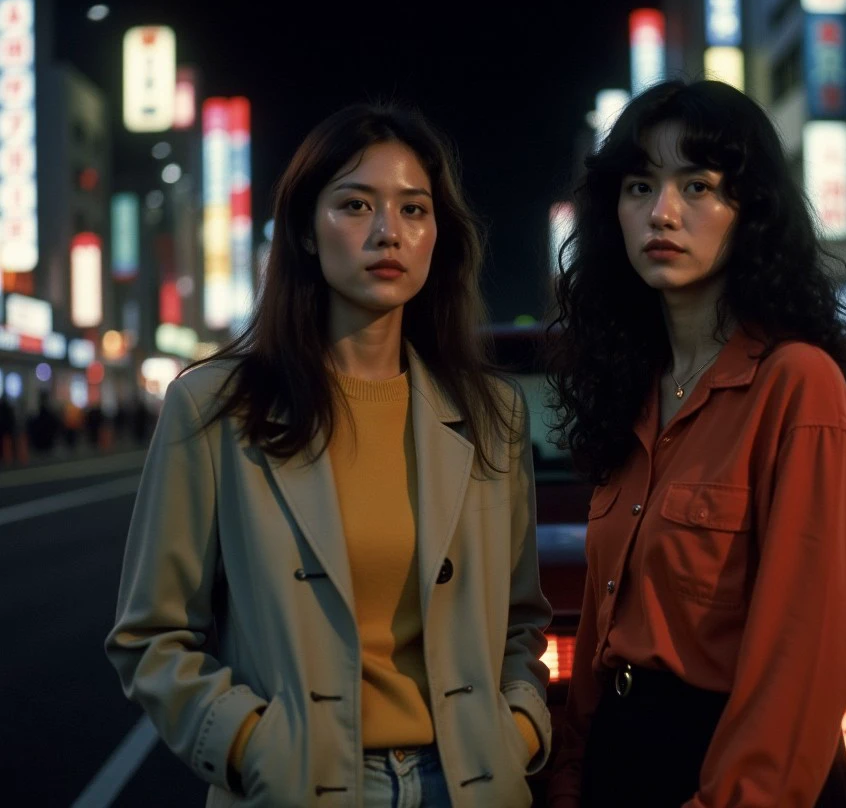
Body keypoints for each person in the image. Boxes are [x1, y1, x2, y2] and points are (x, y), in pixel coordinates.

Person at [106, 104, 551, 808]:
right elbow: (152, 635)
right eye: (354, 205)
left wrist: (519, 728)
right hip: (302, 785)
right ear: (307, 233)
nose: (388, 233)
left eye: (414, 209)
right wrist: (252, 748)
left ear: (438, 234)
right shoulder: (216, 407)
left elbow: (522, 619)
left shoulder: (493, 415)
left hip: (468, 783)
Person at [546, 80, 846, 807]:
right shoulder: (632, 394)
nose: (662, 213)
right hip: (622, 760)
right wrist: (571, 774)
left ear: (750, 210)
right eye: (639, 186)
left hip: (735, 770)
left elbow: (803, 660)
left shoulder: (798, 386)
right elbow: (605, 630)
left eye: (697, 186)